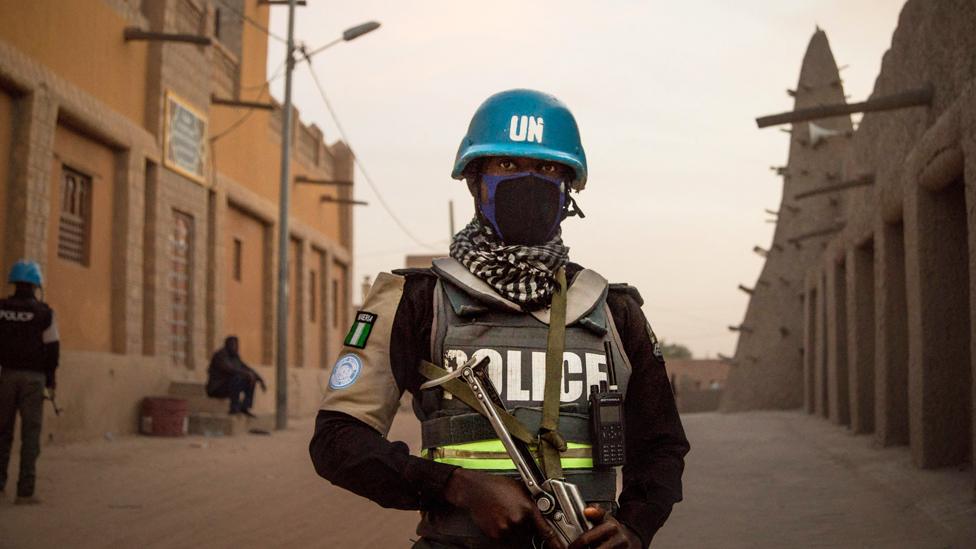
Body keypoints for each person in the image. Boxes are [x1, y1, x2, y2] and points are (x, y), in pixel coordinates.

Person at [310, 89, 689, 548]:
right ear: (475, 180)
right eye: (507, 165)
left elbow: (661, 446)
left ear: (569, 188)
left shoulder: (613, 311)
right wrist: (456, 487)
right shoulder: (416, 301)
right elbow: (337, 441)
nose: (529, 180)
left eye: (548, 168)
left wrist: (635, 525)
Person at [0, 260, 59, 505]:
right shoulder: (45, 313)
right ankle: (25, 491)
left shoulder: (1, 308)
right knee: (30, 435)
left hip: (5, 376)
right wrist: (51, 382)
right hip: (34, 379)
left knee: (2, 432)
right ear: (36, 284)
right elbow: (52, 349)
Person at [206, 336, 265, 417]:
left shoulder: (235, 356)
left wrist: (260, 379)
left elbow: (245, 367)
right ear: (227, 345)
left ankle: (245, 407)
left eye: (236, 345)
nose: (236, 347)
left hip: (229, 387)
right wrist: (246, 373)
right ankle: (234, 408)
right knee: (237, 378)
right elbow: (229, 369)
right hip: (216, 388)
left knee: (251, 379)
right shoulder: (220, 355)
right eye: (233, 345)